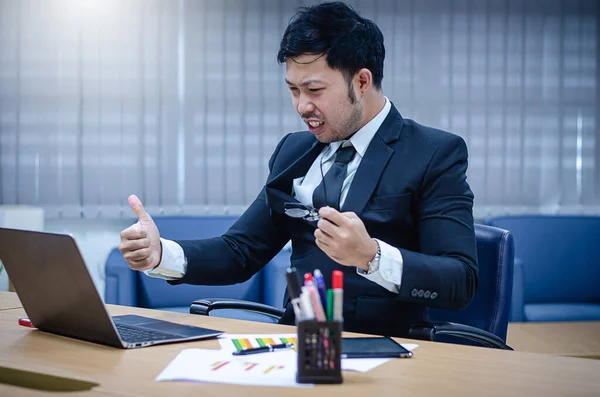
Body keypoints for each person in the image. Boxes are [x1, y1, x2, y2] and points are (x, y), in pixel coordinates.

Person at [118, 1, 478, 337]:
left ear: (362, 82)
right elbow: (240, 251)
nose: (302, 106)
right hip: (298, 346)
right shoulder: (294, 150)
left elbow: (460, 280)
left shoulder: (434, 153)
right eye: (293, 90)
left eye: (314, 89)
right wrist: (161, 254)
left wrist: (372, 256)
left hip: (388, 350)